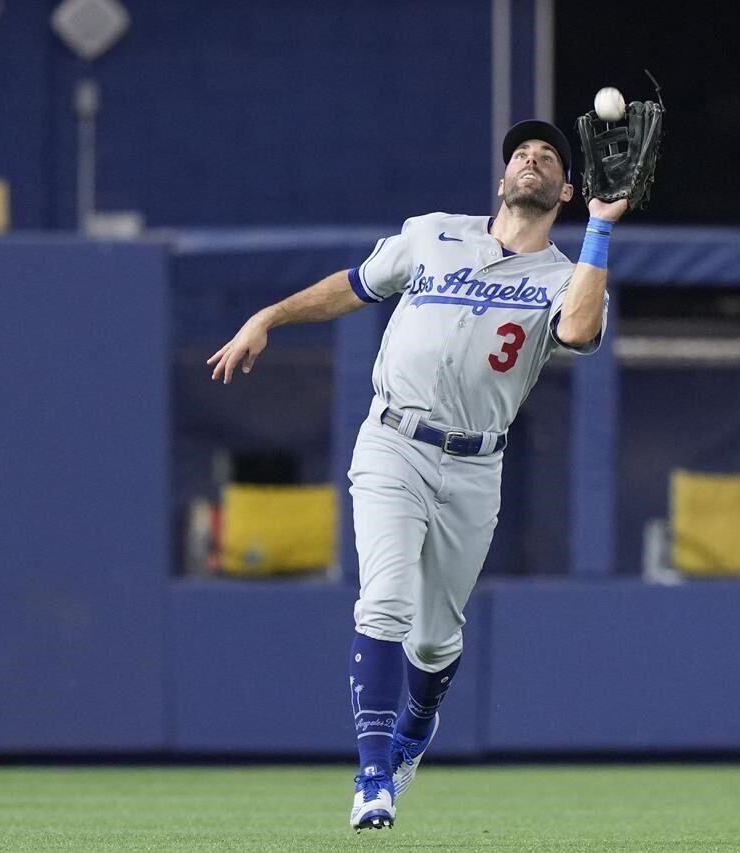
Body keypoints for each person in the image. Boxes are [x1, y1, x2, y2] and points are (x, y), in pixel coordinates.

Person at [207, 120, 629, 832]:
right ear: (501, 181)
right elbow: (354, 285)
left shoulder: (567, 273)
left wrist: (602, 230)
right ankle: (374, 776)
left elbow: (581, 332)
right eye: (520, 154)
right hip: (393, 441)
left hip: (473, 464)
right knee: (385, 603)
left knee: (435, 641)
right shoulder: (432, 233)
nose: (530, 159)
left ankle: (417, 722)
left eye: (547, 157)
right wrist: (270, 316)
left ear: (566, 189)